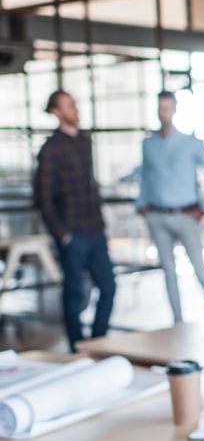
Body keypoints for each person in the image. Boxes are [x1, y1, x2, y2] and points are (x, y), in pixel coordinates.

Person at [34, 90, 117, 353]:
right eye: (69, 106)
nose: (75, 110)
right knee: (74, 293)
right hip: (72, 233)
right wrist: (62, 234)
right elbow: (43, 197)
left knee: (108, 286)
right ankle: (77, 348)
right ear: (57, 112)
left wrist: (103, 222)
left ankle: (97, 341)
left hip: (94, 229)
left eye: (75, 104)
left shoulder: (84, 142)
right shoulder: (50, 149)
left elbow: (91, 187)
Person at [136, 91, 204, 324]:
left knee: (200, 271)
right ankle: (178, 323)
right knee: (169, 274)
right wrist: (140, 205)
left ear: (174, 109)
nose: (164, 112)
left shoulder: (192, 143)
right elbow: (145, 177)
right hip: (157, 217)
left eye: (168, 108)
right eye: (160, 108)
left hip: (186, 216)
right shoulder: (148, 144)